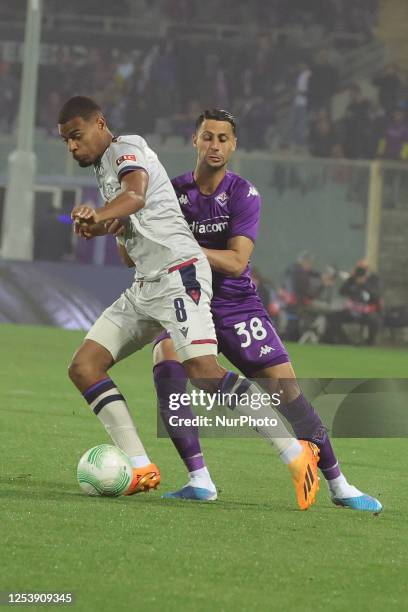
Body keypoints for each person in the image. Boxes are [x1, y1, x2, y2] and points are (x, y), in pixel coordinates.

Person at [58, 96, 319, 508]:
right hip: (146, 285)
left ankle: (294, 450)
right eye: (66, 141)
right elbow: (132, 219)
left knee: (202, 371)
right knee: (84, 367)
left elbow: (137, 195)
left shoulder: (127, 148)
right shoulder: (104, 169)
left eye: (76, 136)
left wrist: (104, 212)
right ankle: (141, 466)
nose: (72, 146)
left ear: (99, 124)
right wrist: (102, 226)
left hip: (181, 276)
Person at [152, 109, 382, 513]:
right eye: (208, 137)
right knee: (165, 359)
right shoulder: (173, 192)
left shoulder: (244, 194)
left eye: (224, 139)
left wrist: (184, 248)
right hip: (188, 300)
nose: (215, 146)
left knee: (286, 390)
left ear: (234, 145)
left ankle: (339, 484)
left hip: (237, 305)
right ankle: (199, 479)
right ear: (195, 140)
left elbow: (238, 262)